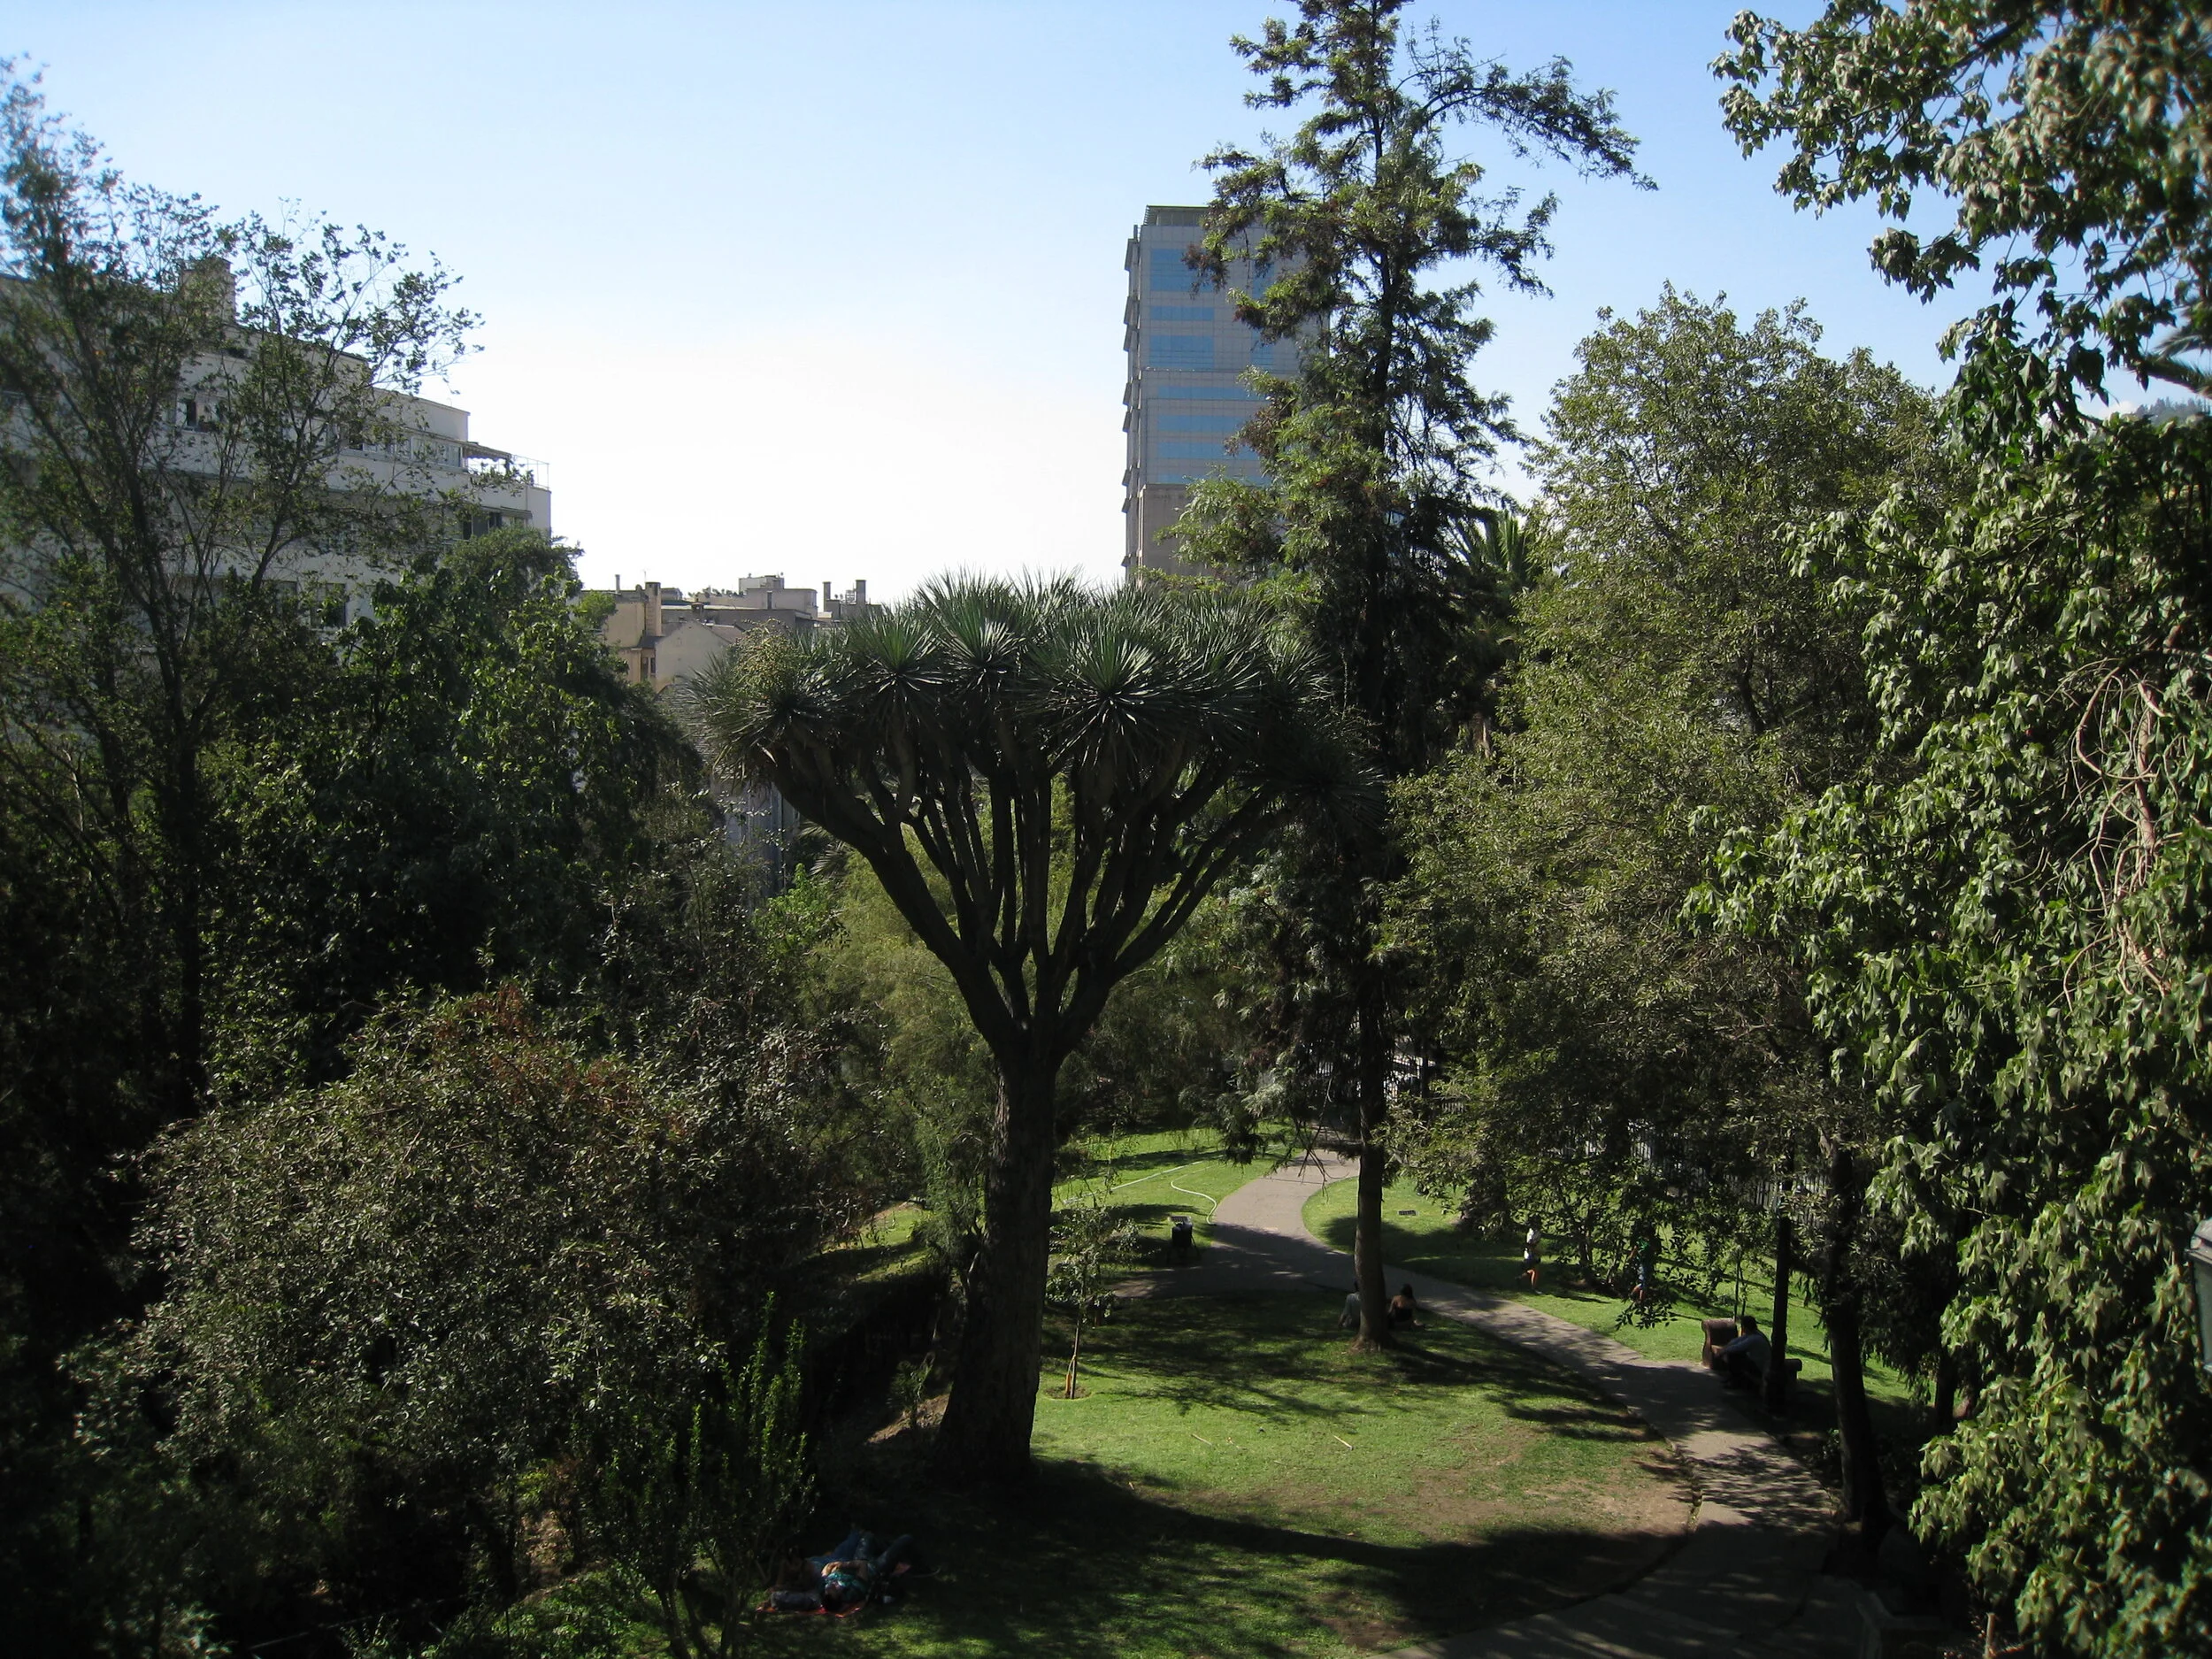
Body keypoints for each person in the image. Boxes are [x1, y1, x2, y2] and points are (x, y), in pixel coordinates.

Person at [1719, 1314, 1770, 1390]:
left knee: (1733, 1355)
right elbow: (1737, 1341)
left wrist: (1722, 1351)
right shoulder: (1754, 1334)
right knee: (1735, 1354)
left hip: (1760, 1367)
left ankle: (1735, 1382)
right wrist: (1725, 1348)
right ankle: (1732, 1378)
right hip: (1756, 1363)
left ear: (1745, 1327)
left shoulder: (1755, 1338)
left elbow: (1737, 1347)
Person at [1521, 1224, 1542, 1290]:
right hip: (1531, 1255)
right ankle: (1533, 1287)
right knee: (1535, 1271)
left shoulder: (1536, 1232)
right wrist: (1534, 1250)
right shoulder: (1531, 1233)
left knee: (1533, 1271)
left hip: (1535, 1253)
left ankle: (1520, 1278)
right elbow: (1529, 1244)